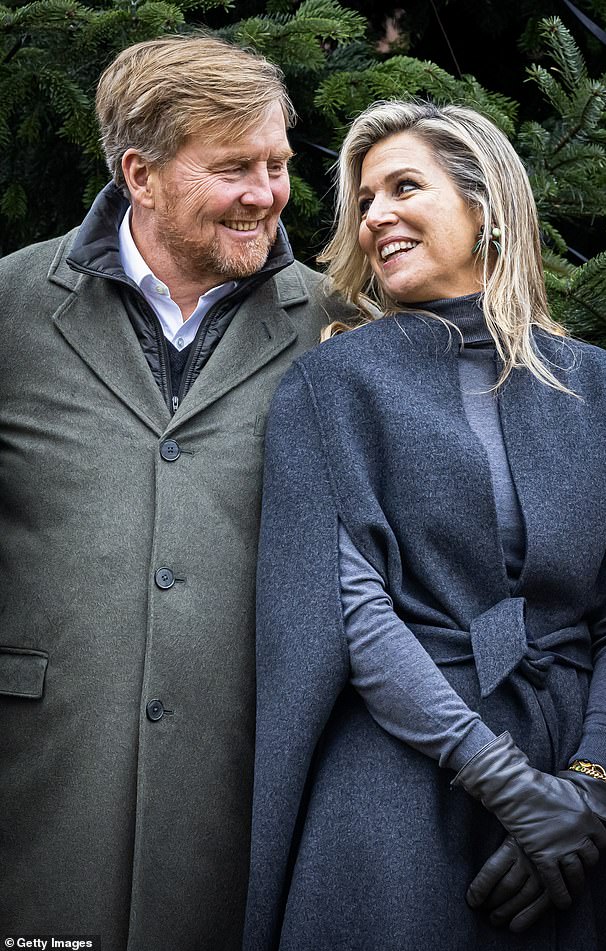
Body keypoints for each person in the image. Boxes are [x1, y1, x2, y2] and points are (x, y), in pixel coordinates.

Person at [243, 100, 606, 950]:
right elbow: (351, 610)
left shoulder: (604, 388)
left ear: (485, 206)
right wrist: (503, 781)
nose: (375, 213)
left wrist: (590, 787)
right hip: (400, 783)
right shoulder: (331, 385)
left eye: (404, 186)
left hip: (576, 792)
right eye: (364, 199)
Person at [0, 35, 352, 951]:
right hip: (40, 792)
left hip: (241, 795)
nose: (267, 193)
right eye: (232, 167)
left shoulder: (337, 328)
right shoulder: (9, 308)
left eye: (275, 163)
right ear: (140, 175)